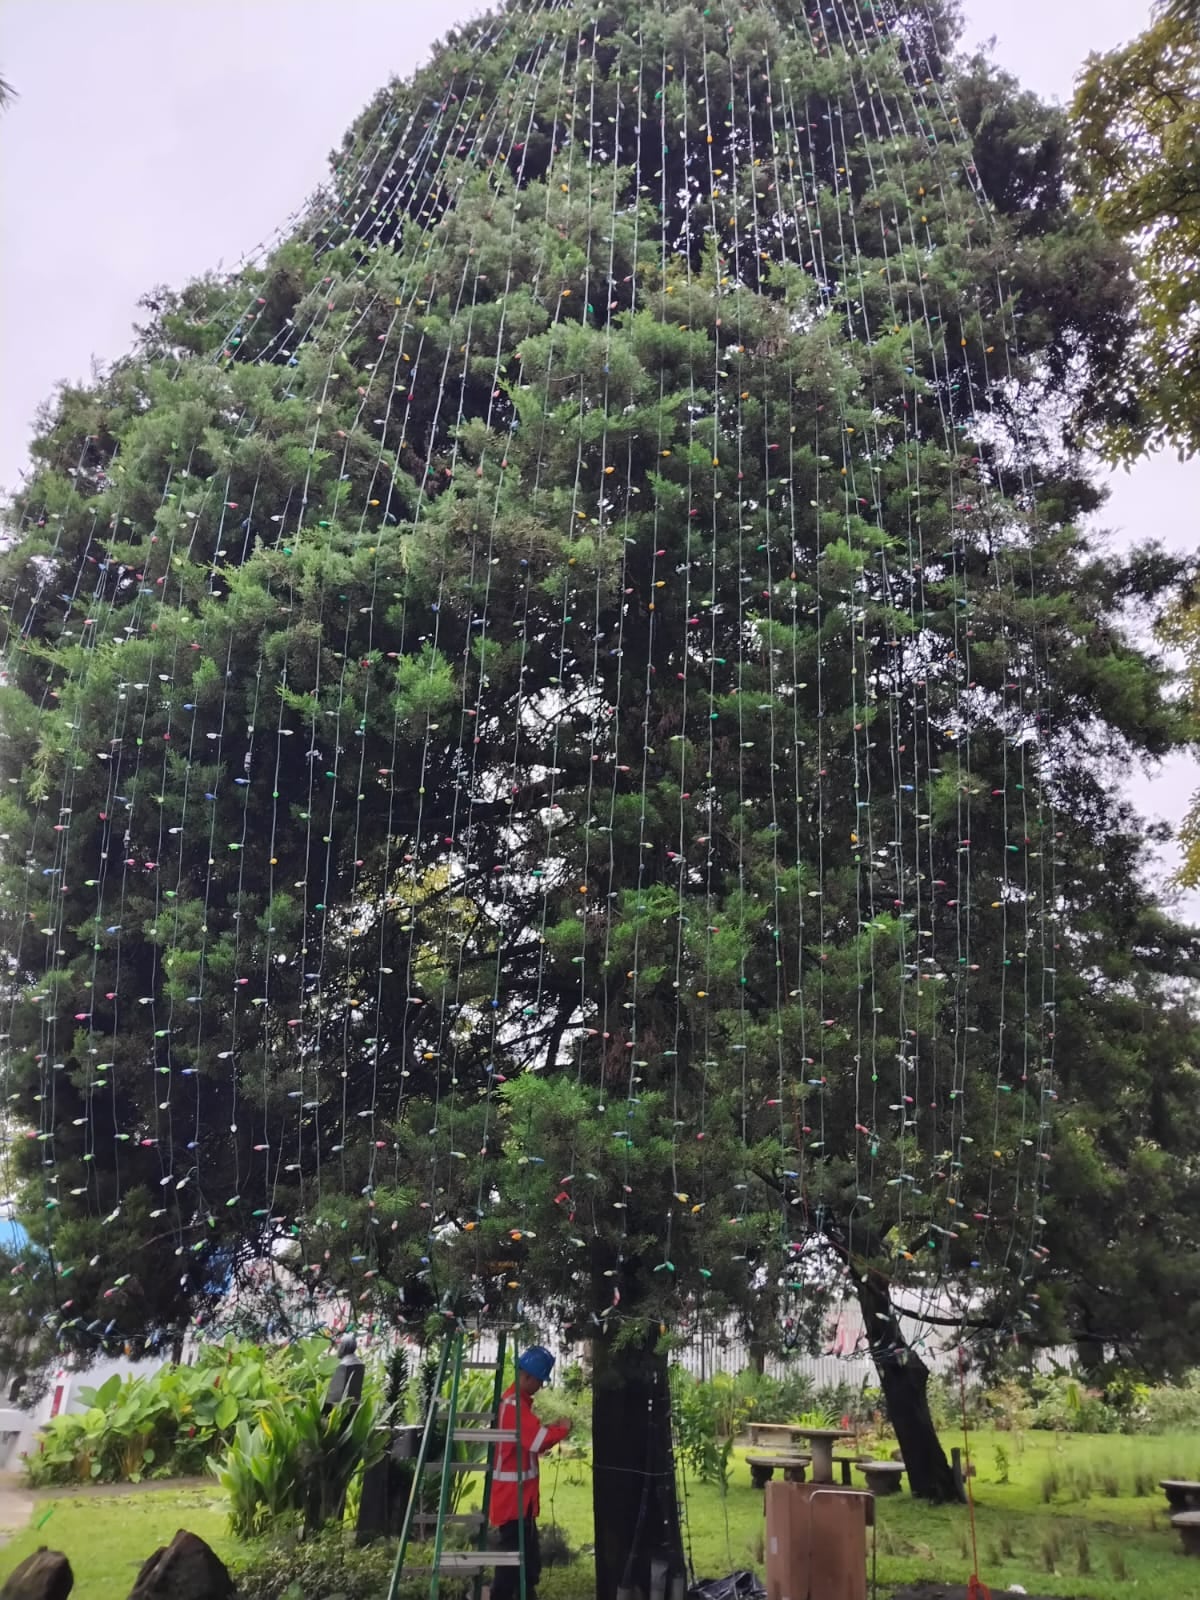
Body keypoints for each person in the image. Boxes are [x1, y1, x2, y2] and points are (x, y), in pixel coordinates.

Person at [490, 1345, 572, 1600]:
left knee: (526, 1564)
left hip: (518, 1500)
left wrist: (550, 1429)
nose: (540, 1386)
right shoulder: (515, 1406)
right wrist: (562, 1430)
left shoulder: (516, 1404)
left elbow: (530, 1436)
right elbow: (537, 1441)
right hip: (513, 1500)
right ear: (528, 1377)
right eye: (540, 1381)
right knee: (510, 1567)